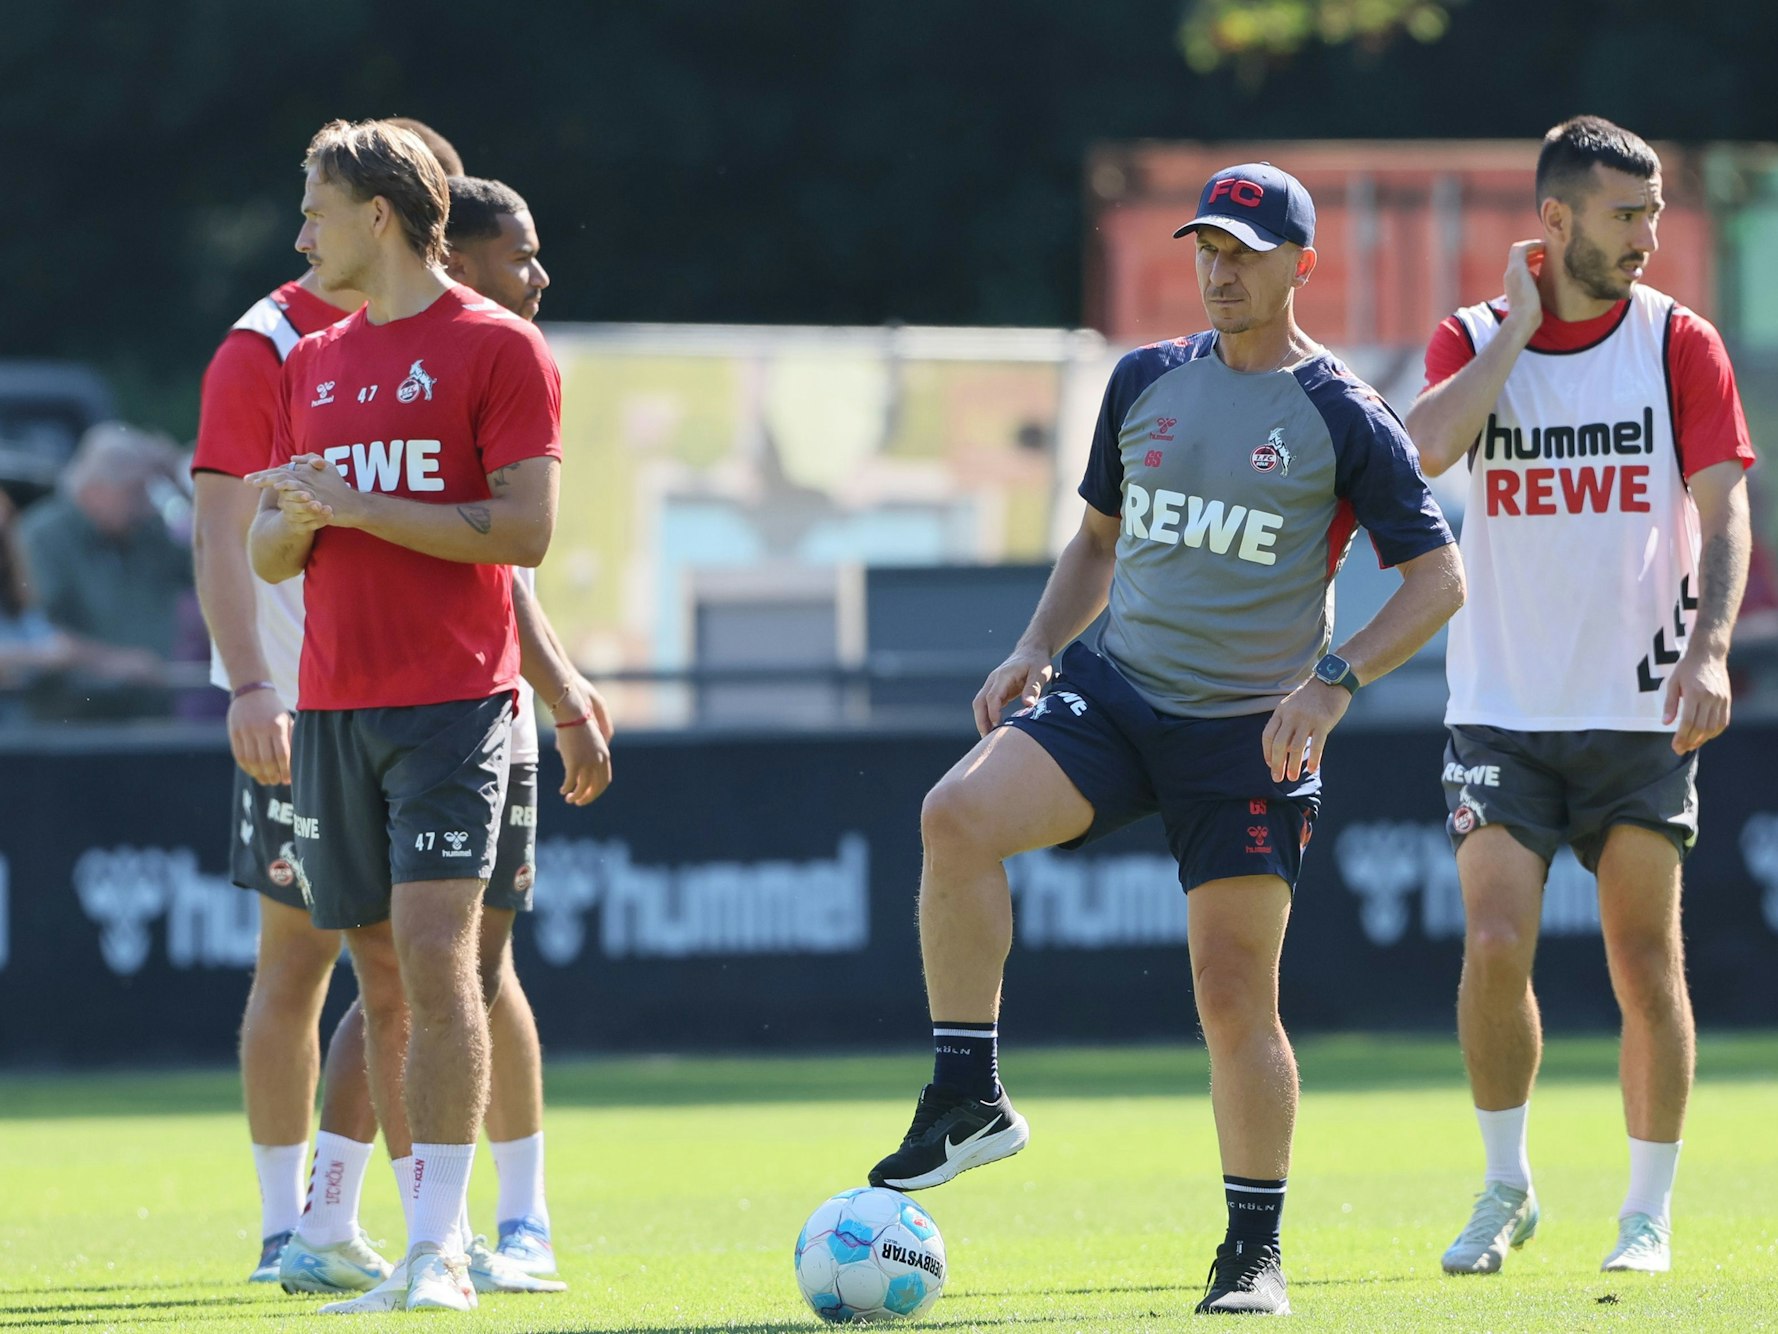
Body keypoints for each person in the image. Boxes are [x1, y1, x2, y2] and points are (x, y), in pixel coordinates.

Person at [864, 162, 1465, 1317]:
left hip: (1247, 734)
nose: (1218, 271)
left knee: (1232, 994)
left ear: (1300, 264)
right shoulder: (1142, 378)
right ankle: (967, 1093)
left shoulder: (1344, 412)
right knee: (955, 815)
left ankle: (1250, 1252)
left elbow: (1437, 581)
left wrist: (1331, 684)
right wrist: (1032, 644)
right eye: (1206, 249)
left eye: (1243, 252)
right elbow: (1096, 541)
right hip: (1115, 694)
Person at [1405, 116, 1754, 1278]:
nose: (1646, 235)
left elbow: (1724, 513)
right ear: (1553, 220)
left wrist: (1707, 649)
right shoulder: (1469, 335)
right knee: (1493, 940)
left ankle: (1643, 1211)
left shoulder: (1676, 341)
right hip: (1499, 707)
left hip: (1638, 708)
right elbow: (1421, 452)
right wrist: (1514, 329)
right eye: (1623, 213)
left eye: (1651, 212)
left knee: (1643, 960)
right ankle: (1504, 1185)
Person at [247, 117, 562, 1314]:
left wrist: (356, 506)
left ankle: (441, 1251)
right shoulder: (311, 360)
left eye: (315, 213)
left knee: (439, 957)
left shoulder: (497, 345)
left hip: (452, 702)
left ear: (375, 217)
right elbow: (273, 549)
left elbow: (525, 529)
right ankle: (406, 1237)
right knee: (378, 976)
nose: (301, 238)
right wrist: (294, 521)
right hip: (333, 704)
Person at [190, 118, 466, 1293]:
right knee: (300, 961)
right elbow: (221, 531)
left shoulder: (427, 335)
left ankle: (399, 1229)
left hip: (410, 693)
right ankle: (286, 1226)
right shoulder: (266, 345)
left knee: (408, 968)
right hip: (302, 704)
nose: (302, 233)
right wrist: (253, 682)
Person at [17, 423, 192, 719]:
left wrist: (179, 481)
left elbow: (211, 567)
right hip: (72, 722)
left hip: (148, 715)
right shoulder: (43, 537)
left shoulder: (147, 535)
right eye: (135, 491)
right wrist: (113, 662)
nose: (146, 504)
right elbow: (34, 633)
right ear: (96, 489)